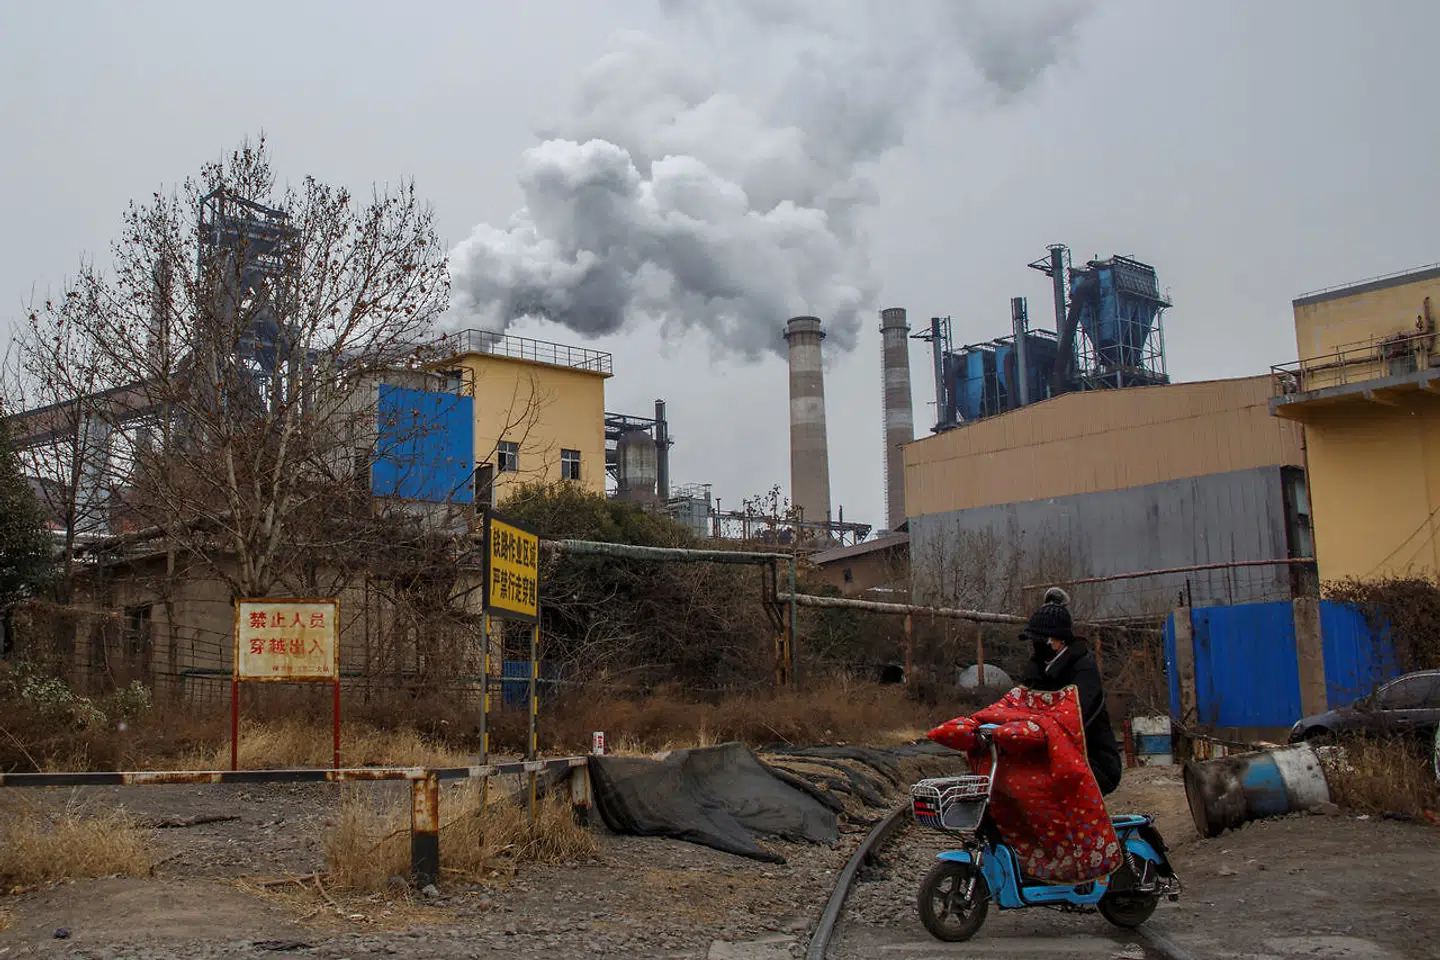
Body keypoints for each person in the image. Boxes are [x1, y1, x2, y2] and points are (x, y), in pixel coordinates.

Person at [1018, 596, 1123, 796]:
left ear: (1057, 641)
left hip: (1093, 760)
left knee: (1039, 789)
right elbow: (1017, 703)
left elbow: (1073, 715)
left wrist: (1034, 728)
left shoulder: (1083, 670)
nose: (1035, 646)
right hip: (1050, 756)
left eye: (1040, 641)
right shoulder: (1037, 668)